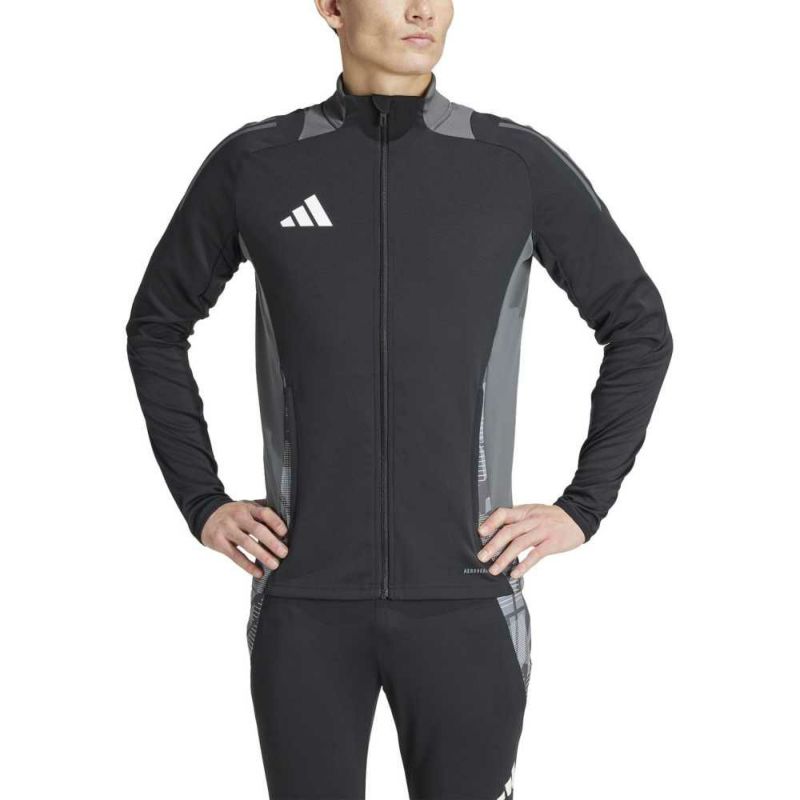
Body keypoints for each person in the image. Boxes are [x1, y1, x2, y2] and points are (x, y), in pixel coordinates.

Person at [125, 0, 673, 797]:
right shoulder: (260, 164)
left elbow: (639, 328)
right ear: (332, 7)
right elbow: (156, 326)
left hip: (468, 597)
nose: (423, 9)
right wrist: (202, 501)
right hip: (304, 602)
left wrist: (582, 507)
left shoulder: (511, 163)